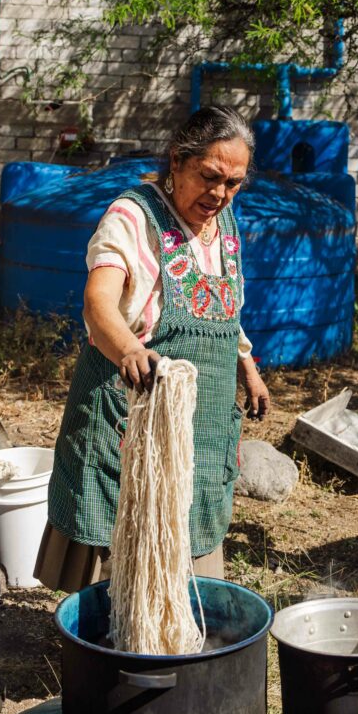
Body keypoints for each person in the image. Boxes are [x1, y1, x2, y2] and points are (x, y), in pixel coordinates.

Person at [35, 105, 270, 592]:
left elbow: (227, 306)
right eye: (210, 176)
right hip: (131, 410)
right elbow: (98, 301)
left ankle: (178, 628)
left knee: (189, 541)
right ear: (177, 161)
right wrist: (129, 351)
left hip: (203, 422)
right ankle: (106, 630)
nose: (220, 194)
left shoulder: (224, 224)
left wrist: (247, 366)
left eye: (233, 183)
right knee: (120, 549)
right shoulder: (133, 216)